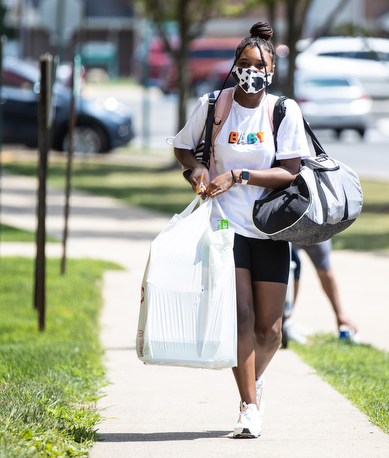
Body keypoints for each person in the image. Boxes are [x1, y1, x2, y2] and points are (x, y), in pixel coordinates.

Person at [172, 22, 309, 438]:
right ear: (234, 66)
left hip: (268, 228)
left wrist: (239, 174)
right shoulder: (214, 104)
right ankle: (249, 406)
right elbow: (183, 145)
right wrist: (195, 168)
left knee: (270, 331)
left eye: (259, 65)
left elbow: (289, 172)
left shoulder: (283, 111)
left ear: (271, 70)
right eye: (245, 63)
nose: (252, 71)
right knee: (242, 318)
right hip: (224, 227)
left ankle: (255, 379)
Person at [283, 240, 358, 345]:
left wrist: (339, 314)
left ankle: (286, 319)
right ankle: (282, 319)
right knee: (291, 261)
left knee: (295, 265)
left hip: (312, 235)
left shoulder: (320, 239)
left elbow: (325, 274)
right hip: (282, 234)